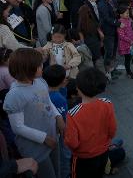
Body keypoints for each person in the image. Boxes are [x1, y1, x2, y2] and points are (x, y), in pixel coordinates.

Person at [3, 48, 64, 178]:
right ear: (28, 69)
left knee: (57, 171)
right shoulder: (14, 95)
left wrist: (58, 116)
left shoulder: (40, 82)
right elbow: (18, 127)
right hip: (35, 147)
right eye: (39, 65)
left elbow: (46, 101)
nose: (43, 66)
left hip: (52, 138)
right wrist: (44, 138)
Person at [64, 68, 117, 178]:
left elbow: (72, 143)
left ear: (78, 89)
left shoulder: (72, 114)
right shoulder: (107, 104)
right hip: (103, 152)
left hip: (83, 158)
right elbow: (112, 130)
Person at [42, 65, 70, 178]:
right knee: (64, 156)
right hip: (60, 135)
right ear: (63, 80)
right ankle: (65, 174)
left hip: (50, 133)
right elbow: (63, 121)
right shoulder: (58, 99)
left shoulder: (43, 92)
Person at [79, 0, 104, 71]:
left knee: (95, 57)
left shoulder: (98, 2)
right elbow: (80, 28)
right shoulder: (86, 6)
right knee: (96, 58)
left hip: (94, 36)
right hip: (92, 36)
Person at [98, 0, 120, 81]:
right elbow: (106, 18)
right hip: (107, 30)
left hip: (113, 28)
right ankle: (107, 72)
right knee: (108, 51)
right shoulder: (102, 1)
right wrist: (117, 23)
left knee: (113, 50)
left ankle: (111, 69)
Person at [117, 5, 133, 79]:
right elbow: (121, 35)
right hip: (125, 44)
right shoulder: (120, 23)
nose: (128, 14)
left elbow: (131, 31)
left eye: (128, 13)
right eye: (126, 13)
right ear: (121, 14)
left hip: (132, 42)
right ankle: (128, 72)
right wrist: (129, 40)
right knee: (128, 58)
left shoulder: (129, 20)